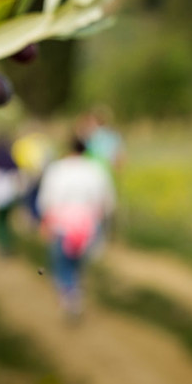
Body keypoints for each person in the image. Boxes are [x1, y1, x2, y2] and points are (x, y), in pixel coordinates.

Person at [37, 135, 116, 319]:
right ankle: (75, 294)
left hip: (61, 226)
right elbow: (107, 200)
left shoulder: (56, 169)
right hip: (88, 225)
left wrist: (45, 222)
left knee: (62, 263)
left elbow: (46, 200)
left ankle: (69, 297)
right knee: (79, 264)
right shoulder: (96, 169)